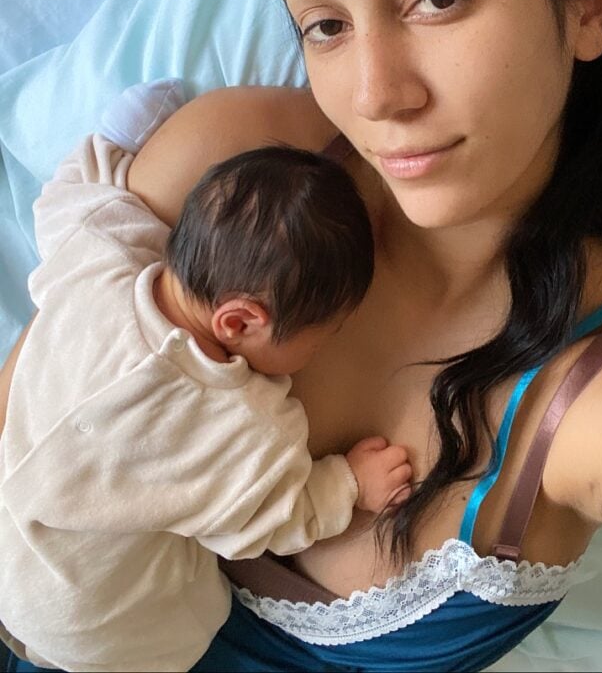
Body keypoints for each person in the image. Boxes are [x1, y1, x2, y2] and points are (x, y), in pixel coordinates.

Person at [4, 0, 602, 672]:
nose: (376, 95)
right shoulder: (232, 166)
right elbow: (30, 412)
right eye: (326, 25)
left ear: (587, 0)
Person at [0, 134, 412, 673]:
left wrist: (124, 138)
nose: (324, 351)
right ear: (240, 322)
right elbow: (273, 518)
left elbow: (74, 190)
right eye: (323, 336)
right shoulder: (239, 424)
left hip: (13, 565)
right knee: (184, 618)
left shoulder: (101, 258)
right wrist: (350, 483)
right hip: (98, 627)